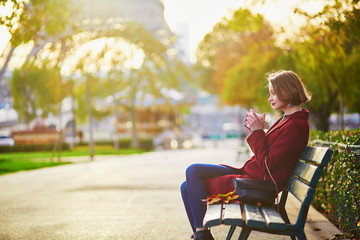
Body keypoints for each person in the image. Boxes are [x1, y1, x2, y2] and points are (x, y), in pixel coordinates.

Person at [180, 70, 312, 240]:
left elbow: (267, 166)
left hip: (257, 185)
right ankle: (202, 234)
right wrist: (257, 131)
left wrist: (258, 131)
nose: (269, 98)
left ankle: (201, 235)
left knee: (191, 177)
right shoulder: (288, 119)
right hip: (249, 175)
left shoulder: (295, 125)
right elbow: (267, 157)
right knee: (191, 176)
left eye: (273, 93)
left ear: (287, 91)